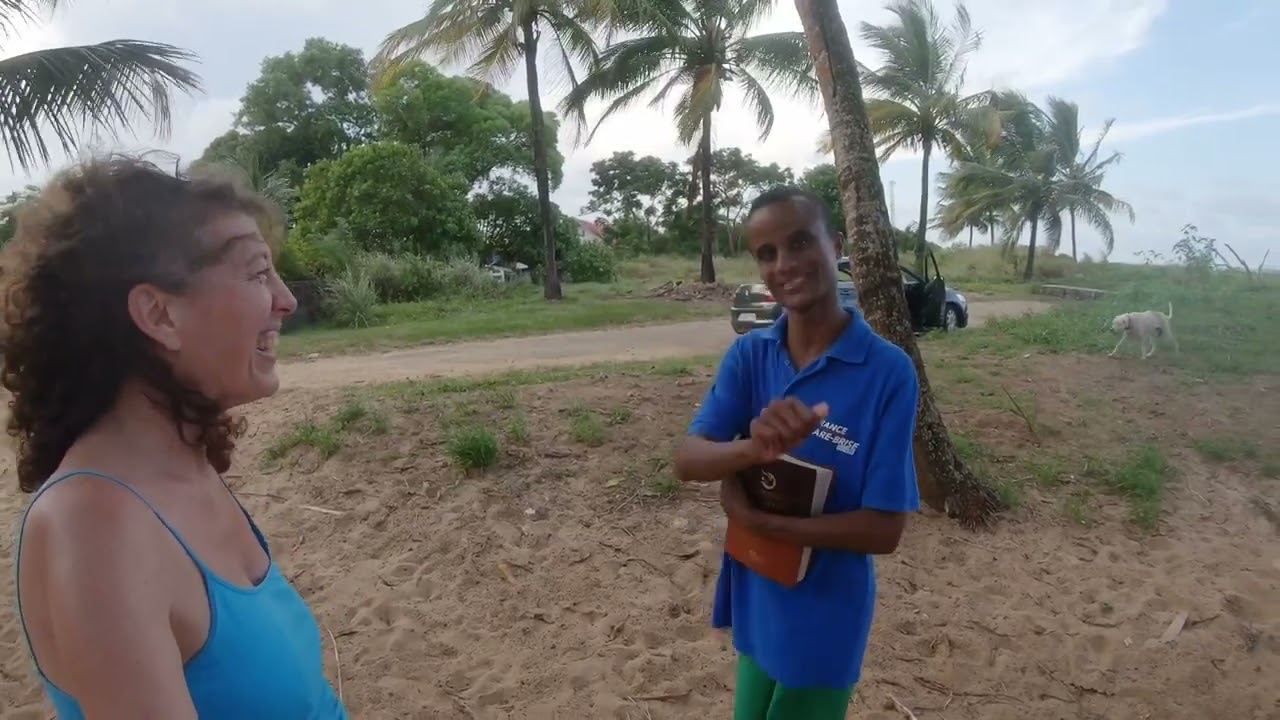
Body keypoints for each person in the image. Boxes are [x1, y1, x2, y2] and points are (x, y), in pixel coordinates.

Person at [5, 155, 348, 719]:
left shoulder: (185, 471)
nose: (285, 300)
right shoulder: (95, 527)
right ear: (160, 315)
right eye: (258, 273)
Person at [673, 186, 921, 719]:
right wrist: (752, 448)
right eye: (767, 253)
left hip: (827, 613)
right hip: (758, 593)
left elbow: (885, 530)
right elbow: (688, 460)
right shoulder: (750, 355)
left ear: (835, 246)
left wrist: (762, 524)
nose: (784, 264)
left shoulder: (887, 371)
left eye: (800, 242)